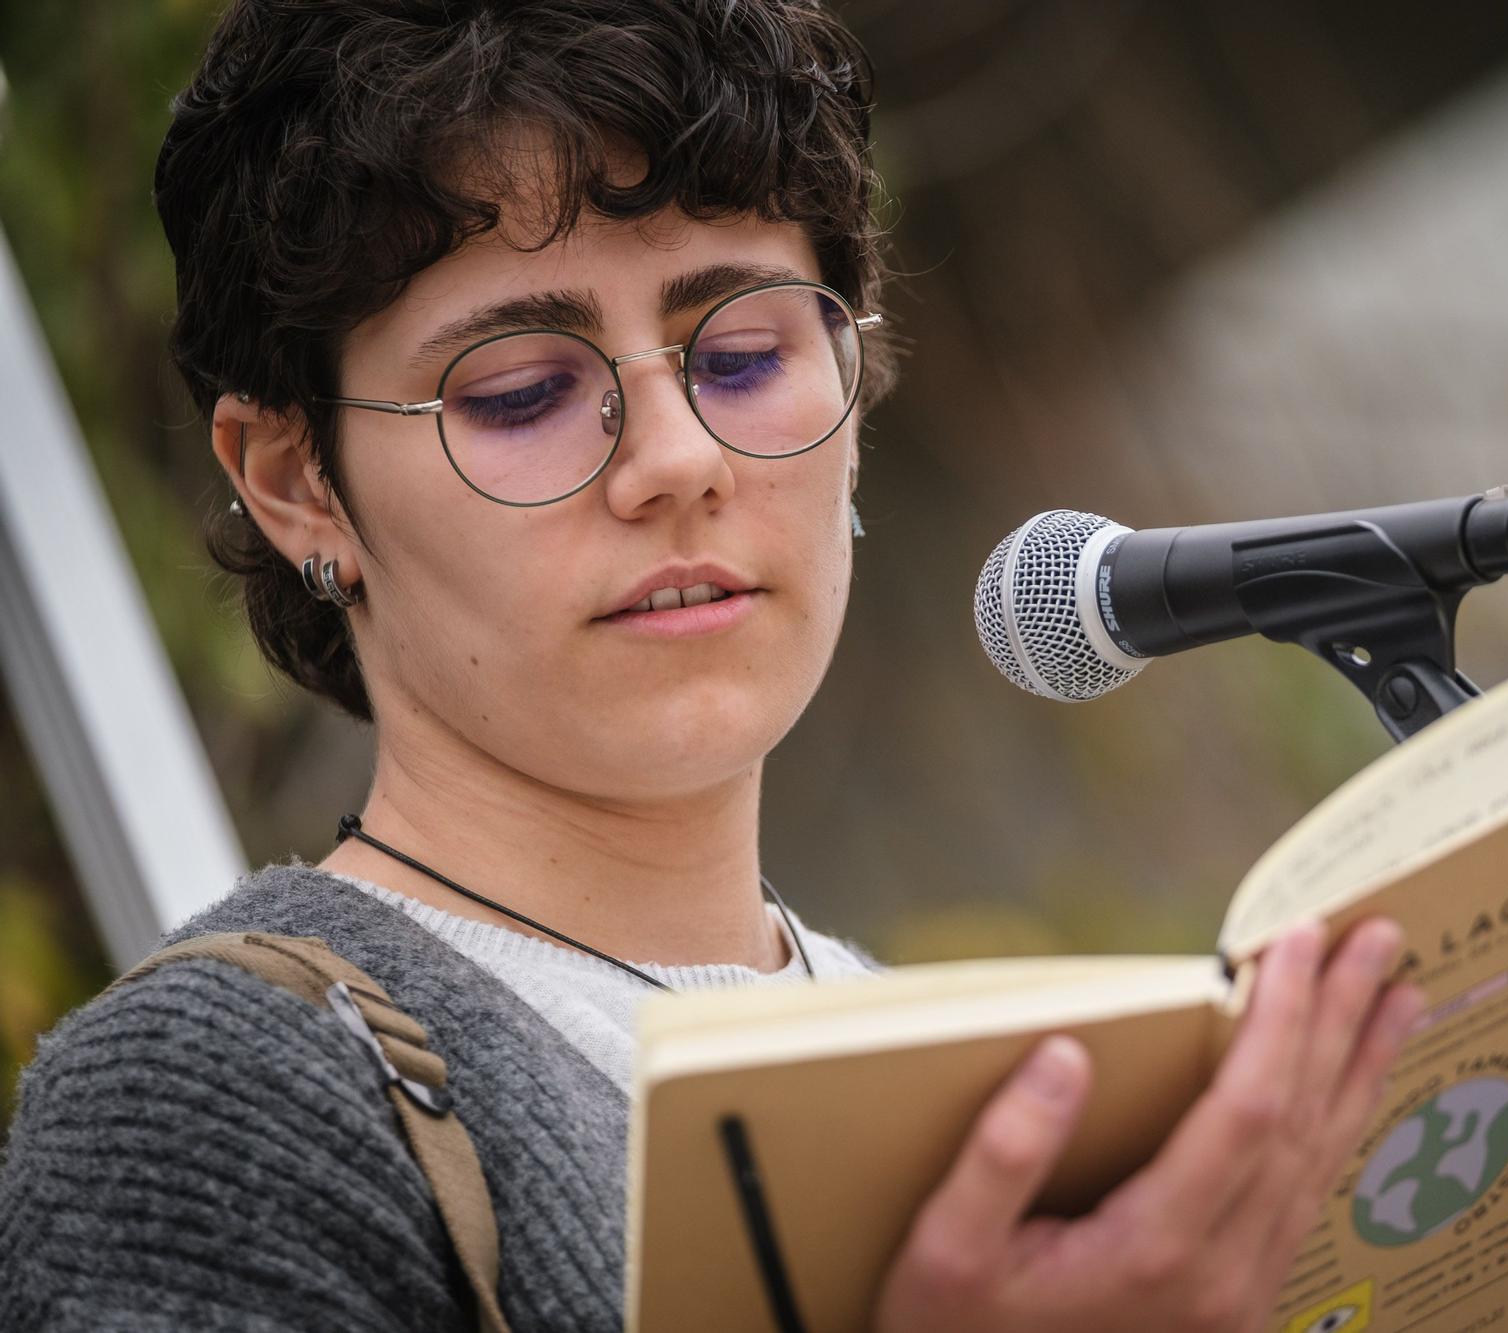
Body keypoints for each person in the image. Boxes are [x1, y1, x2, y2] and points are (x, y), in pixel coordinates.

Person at [0, 1, 1425, 1328]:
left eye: (743, 351)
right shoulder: (213, 1096)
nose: (678, 460)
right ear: (297, 479)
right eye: (521, 392)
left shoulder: (958, 1050)